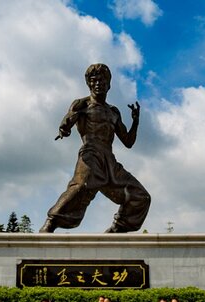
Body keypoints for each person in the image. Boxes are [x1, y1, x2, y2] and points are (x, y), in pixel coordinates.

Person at [39, 63, 151, 234]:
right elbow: (67, 121)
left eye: (102, 81)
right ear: (89, 84)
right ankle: (51, 222)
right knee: (81, 186)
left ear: (109, 85)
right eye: (95, 80)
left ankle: (117, 229)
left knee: (140, 196)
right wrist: (64, 128)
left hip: (110, 161)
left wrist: (135, 121)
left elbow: (128, 142)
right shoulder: (82, 104)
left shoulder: (113, 112)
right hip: (90, 154)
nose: (98, 84)